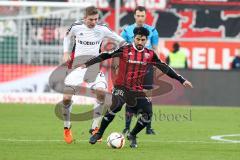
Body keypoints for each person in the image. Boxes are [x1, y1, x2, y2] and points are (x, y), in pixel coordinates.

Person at [81, 27, 193, 148]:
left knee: (148, 114)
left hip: (137, 90)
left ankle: (132, 134)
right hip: (121, 87)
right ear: (134, 38)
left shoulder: (150, 54)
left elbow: (164, 67)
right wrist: (87, 63)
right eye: (138, 39)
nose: (140, 42)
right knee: (116, 106)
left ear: (146, 40)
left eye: (143, 40)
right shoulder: (124, 49)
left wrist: (181, 80)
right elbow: (105, 55)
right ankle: (99, 133)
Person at [61, 6, 125, 144]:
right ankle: (67, 128)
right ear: (85, 18)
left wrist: (121, 51)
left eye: (96, 19)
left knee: (101, 93)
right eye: (91, 19)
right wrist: (66, 52)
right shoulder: (76, 27)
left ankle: (95, 128)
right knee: (66, 98)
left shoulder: (102, 29)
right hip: (76, 68)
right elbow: (67, 37)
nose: (94, 22)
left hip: (93, 68)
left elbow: (121, 40)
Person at [120, 6, 159, 135]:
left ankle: (148, 127)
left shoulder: (152, 30)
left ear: (145, 16)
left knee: (148, 95)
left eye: (142, 16)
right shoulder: (127, 30)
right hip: (132, 66)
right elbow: (121, 49)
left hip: (147, 66)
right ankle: (127, 127)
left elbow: (155, 49)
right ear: (134, 16)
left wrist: (156, 64)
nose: (140, 18)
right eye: (138, 15)